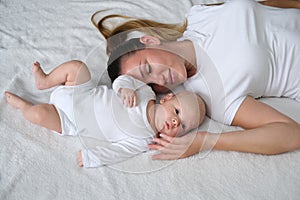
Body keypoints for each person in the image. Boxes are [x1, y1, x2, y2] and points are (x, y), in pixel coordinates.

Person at [92, 0, 300, 159]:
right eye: (150, 85)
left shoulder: (199, 15)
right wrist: (205, 141)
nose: (160, 79)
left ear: (150, 41)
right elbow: (291, 133)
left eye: (148, 68)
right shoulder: (213, 96)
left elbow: (263, 5)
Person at [4, 60, 206, 167]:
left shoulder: (144, 139)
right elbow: (123, 79)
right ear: (167, 99)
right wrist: (124, 89)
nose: (175, 121)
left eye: (183, 126)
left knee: (39, 114)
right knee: (77, 67)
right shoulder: (146, 93)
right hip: (81, 91)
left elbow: (118, 152)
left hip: (68, 119)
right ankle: (45, 81)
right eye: (177, 112)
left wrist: (93, 157)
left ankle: (24, 107)